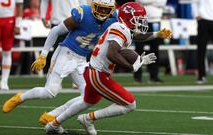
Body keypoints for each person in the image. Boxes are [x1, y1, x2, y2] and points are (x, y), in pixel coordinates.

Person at [43, 2, 157, 134]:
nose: (141, 23)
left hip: (94, 70)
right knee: (130, 104)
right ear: (127, 18)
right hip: (98, 74)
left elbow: (122, 49)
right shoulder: (120, 28)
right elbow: (112, 54)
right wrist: (132, 67)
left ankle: (53, 124)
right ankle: (88, 119)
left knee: (87, 102)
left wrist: (141, 59)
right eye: (138, 20)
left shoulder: (122, 28)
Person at [2, 0, 118, 114]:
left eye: (106, 9)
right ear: (93, 6)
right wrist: (43, 55)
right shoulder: (83, 14)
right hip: (66, 53)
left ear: (111, 10)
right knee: (49, 92)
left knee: (87, 96)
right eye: (100, 8)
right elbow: (55, 31)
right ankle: (20, 98)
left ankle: (53, 116)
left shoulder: (113, 20)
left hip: (81, 59)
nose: (102, 12)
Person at [40, 0, 87, 89]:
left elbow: (83, 2)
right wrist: (43, 15)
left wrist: (84, 19)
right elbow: (45, 1)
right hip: (57, 21)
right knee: (57, 54)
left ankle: (76, 81)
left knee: (77, 53)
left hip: (75, 21)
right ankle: (53, 82)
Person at [133, 0, 167, 83]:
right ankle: (138, 77)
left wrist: (148, 2)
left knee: (155, 49)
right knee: (139, 49)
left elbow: (163, 2)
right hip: (141, 20)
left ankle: (154, 76)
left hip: (156, 20)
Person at [192, 0, 213, 84]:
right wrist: (196, 14)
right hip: (203, 19)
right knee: (201, 49)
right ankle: (201, 76)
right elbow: (194, 2)